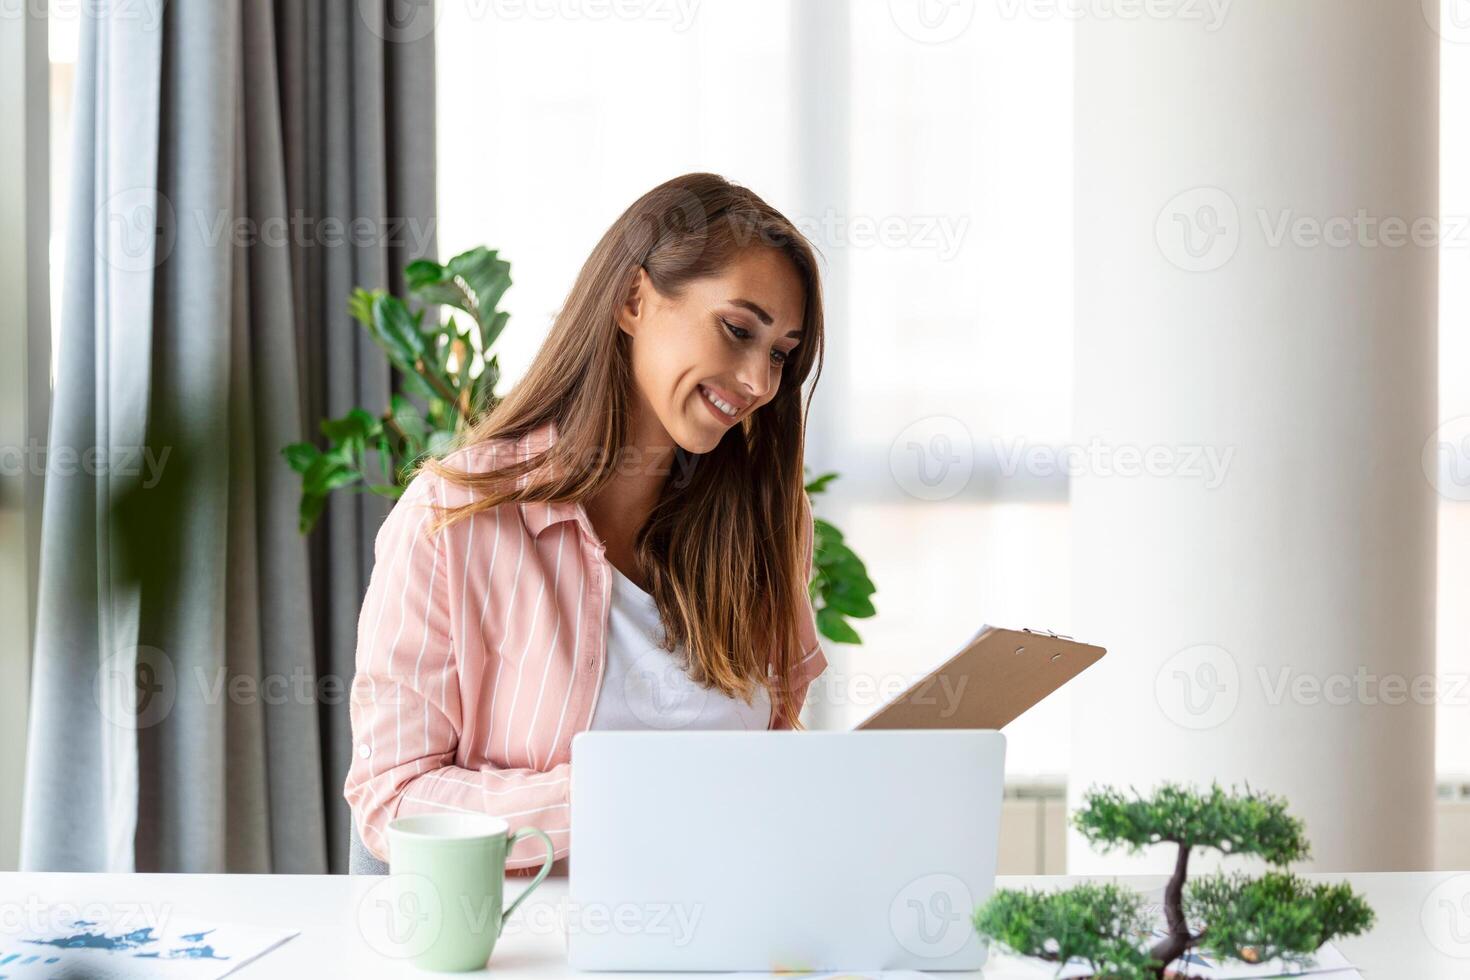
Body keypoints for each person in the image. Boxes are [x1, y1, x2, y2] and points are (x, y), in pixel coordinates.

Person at [344, 172, 828, 871]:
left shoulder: (763, 523)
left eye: (781, 353)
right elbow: (394, 801)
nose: (759, 381)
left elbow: (773, 758)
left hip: (735, 932)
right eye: (737, 329)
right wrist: (626, 796)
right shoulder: (453, 522)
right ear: (634, 299)